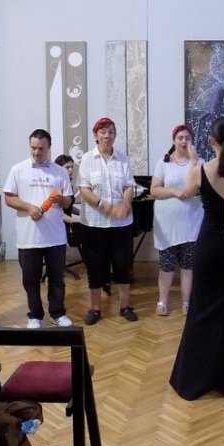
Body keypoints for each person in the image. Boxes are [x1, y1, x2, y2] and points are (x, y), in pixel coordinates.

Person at [169, 116, 224, 401]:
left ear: (211, 140)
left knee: (202, 312)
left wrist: (193, 160)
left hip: (209, 248)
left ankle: (195, 381)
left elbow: (186, 193)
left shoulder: (199, 170)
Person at [3, 129, 74, 329]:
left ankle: (58, 313)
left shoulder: (60, 171)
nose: (36, 152)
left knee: (57, 279)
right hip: (28, 237)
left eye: (41, 148)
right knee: (30, 280)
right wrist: (29, 208)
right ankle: (35, 315)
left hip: (55, 236)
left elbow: (68, 201)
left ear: (49, 148)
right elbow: (8, 198)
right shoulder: (18, 169)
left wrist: (61, 199)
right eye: (33, 148)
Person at [76, 117, 138, 325]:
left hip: (121, 223)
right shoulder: (87, 159)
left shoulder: (122, 158)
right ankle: (95, 309)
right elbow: (84, 190)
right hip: (94, 223)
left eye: (111, 132)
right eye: (103, 132)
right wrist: (106, 206)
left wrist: (126, 203)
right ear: (96, 135)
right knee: (95, 266)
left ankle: (125, 306)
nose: (107, 135)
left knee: (123, 265)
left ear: (115, 135)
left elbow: (129, 185)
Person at [150, 125, 205, 316]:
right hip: (167, 223)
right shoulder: (163, 162)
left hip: (191, 222)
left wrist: (194, 161)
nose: (184, 141)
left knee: (188, 266)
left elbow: (198, 187)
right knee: (166, 266)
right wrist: (174, 191)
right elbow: (154, 189)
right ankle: (162, 301)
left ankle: (187, 302)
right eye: (180, 138)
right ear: (174, 140)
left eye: (188, 138)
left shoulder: (199, 163)